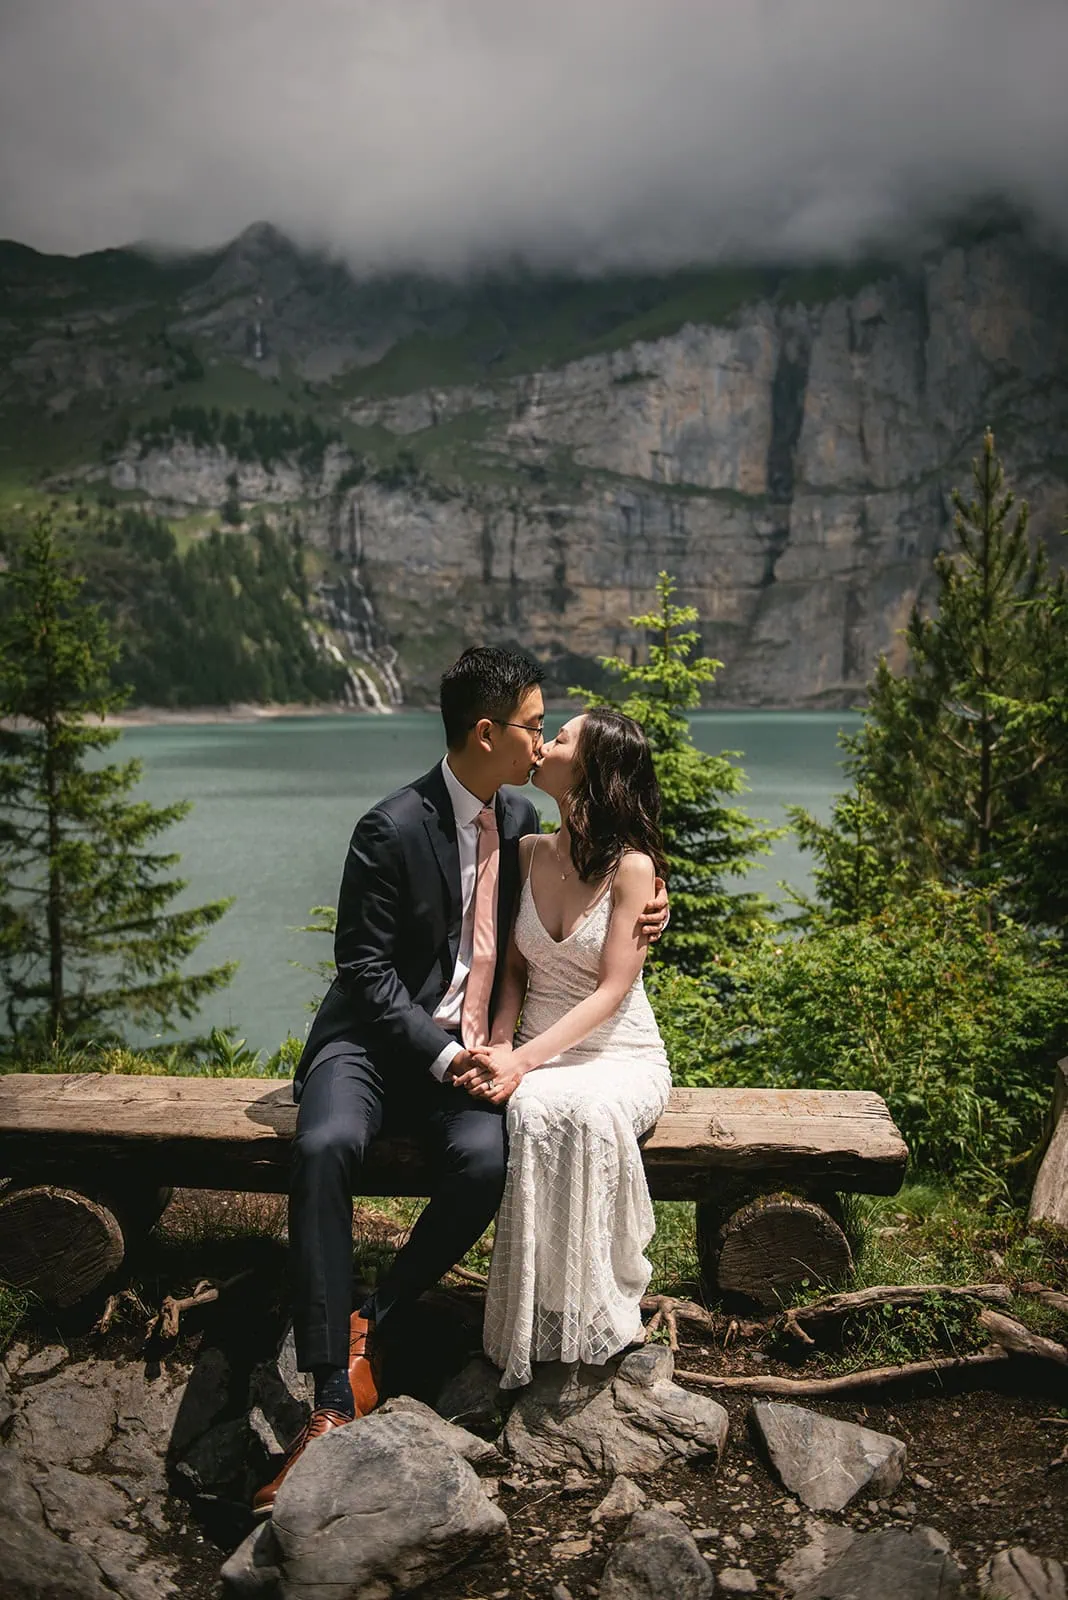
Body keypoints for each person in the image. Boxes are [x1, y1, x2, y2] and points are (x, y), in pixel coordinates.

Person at [253, 650, 667, 1515]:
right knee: (326, 1143)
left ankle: (374, 1315)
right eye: (533, 725)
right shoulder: (389, 827)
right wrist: (448, 1057)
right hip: (371, 1044)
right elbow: (364, 973)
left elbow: (595, 885)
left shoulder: (522, 818)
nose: (541, 741)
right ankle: (329, 1394)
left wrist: (657, 904)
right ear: (487, 733)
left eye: (549, 730)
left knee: (484, 1162)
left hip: (468, 1051)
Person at [454, 707, 672, 1390]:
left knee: (580, 1109)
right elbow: (514, 972)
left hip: (617, 1053)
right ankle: (543, 1313)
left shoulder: (633, 869)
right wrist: (499, 1043)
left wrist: (519, 1062)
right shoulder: (527, 851)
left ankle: (595, 1309)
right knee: (533, 1109)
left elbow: (611, 992)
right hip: (535, 1046)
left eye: (564, 736)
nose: (546, 742)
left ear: (592, 768)